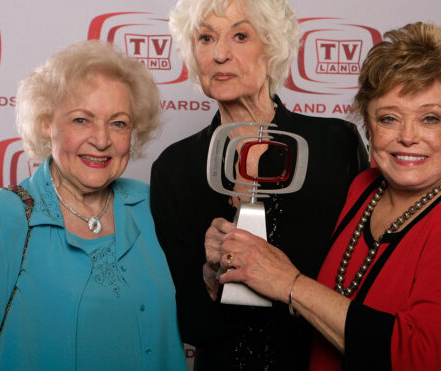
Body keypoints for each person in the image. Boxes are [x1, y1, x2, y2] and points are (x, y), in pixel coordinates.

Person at [208, 22, 441, 370]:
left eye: (430, 119)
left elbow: (419, 358)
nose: (407, 136)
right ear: (369, 126)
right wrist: (230, 261)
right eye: (389, 118)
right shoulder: (363, 187)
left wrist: (289, 283)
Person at [0, 40, 187, 370]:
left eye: (119, 122)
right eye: (81, 120)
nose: (101, 139)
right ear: (45, 122)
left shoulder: (152, 205)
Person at [150, 0, 368, 369]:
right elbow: (193, 325)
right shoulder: (175, 167)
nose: (220, 54)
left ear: (272, 47)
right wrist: (209, 276)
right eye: (205, 38)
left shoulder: (336, 144)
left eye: (240, 35)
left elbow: (364, 290)